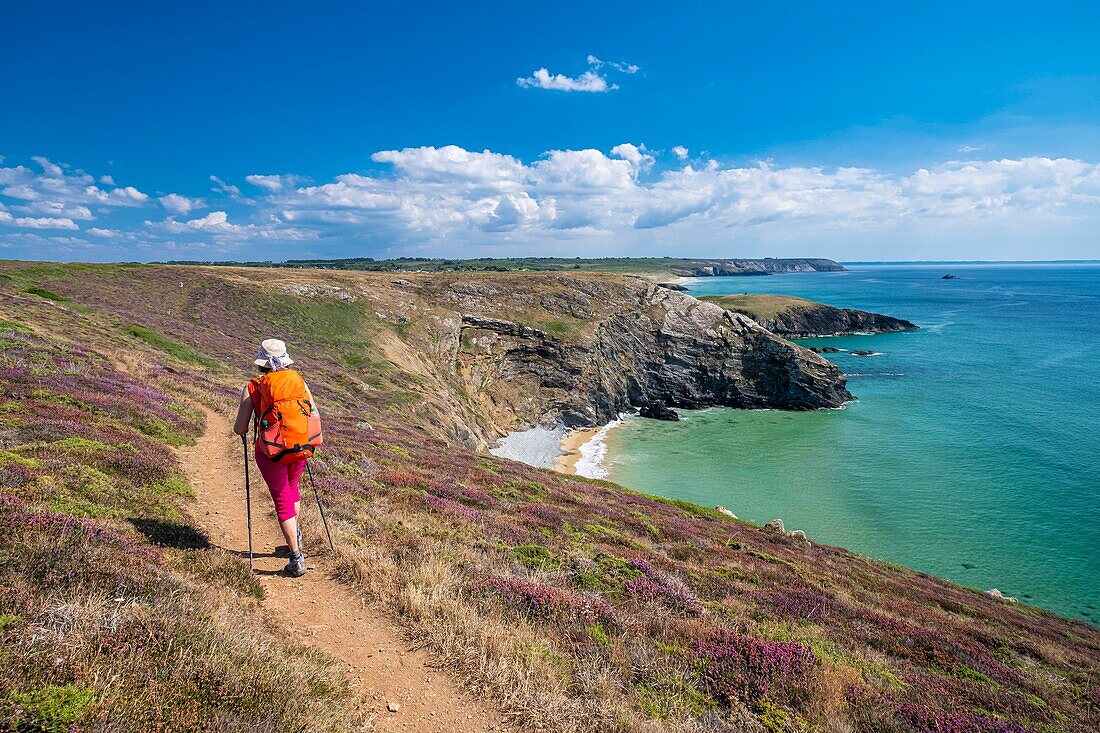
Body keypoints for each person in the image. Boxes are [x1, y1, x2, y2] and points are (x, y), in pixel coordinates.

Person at [233, 338, 318, 577]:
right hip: (300, 446)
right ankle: (296, 538)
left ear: (262, 363)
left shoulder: (253, 386)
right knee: (292, 490)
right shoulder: (298, 381)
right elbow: (312, 412)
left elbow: (240, 428)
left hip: (270, 452)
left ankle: (296, 557)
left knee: (282, 499)